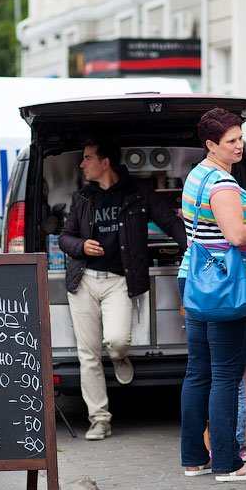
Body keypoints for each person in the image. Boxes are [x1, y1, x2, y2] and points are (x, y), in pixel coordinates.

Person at [60, 138, 186, 441]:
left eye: (87, 158)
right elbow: (65, 237)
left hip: (118, 281)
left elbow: (169, 221)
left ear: (105, 163)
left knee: (116, 341)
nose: (82, 164)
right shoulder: (82, 198)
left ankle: (119, 357)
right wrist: (81, 245)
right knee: (87, 354)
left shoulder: (138, 193)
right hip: (84, 281)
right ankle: (99, 419)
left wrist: (193, 250)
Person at [176, 109, 246, 482]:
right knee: (226, 377)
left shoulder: (197, 175)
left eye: (241, 137)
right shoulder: (222, 184)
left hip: (196, 282)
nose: (239, 145)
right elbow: (237, 235)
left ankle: (194, 458)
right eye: (231, 141)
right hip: (227, 288)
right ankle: (229, 463)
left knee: (198, 372)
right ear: (212, 144)